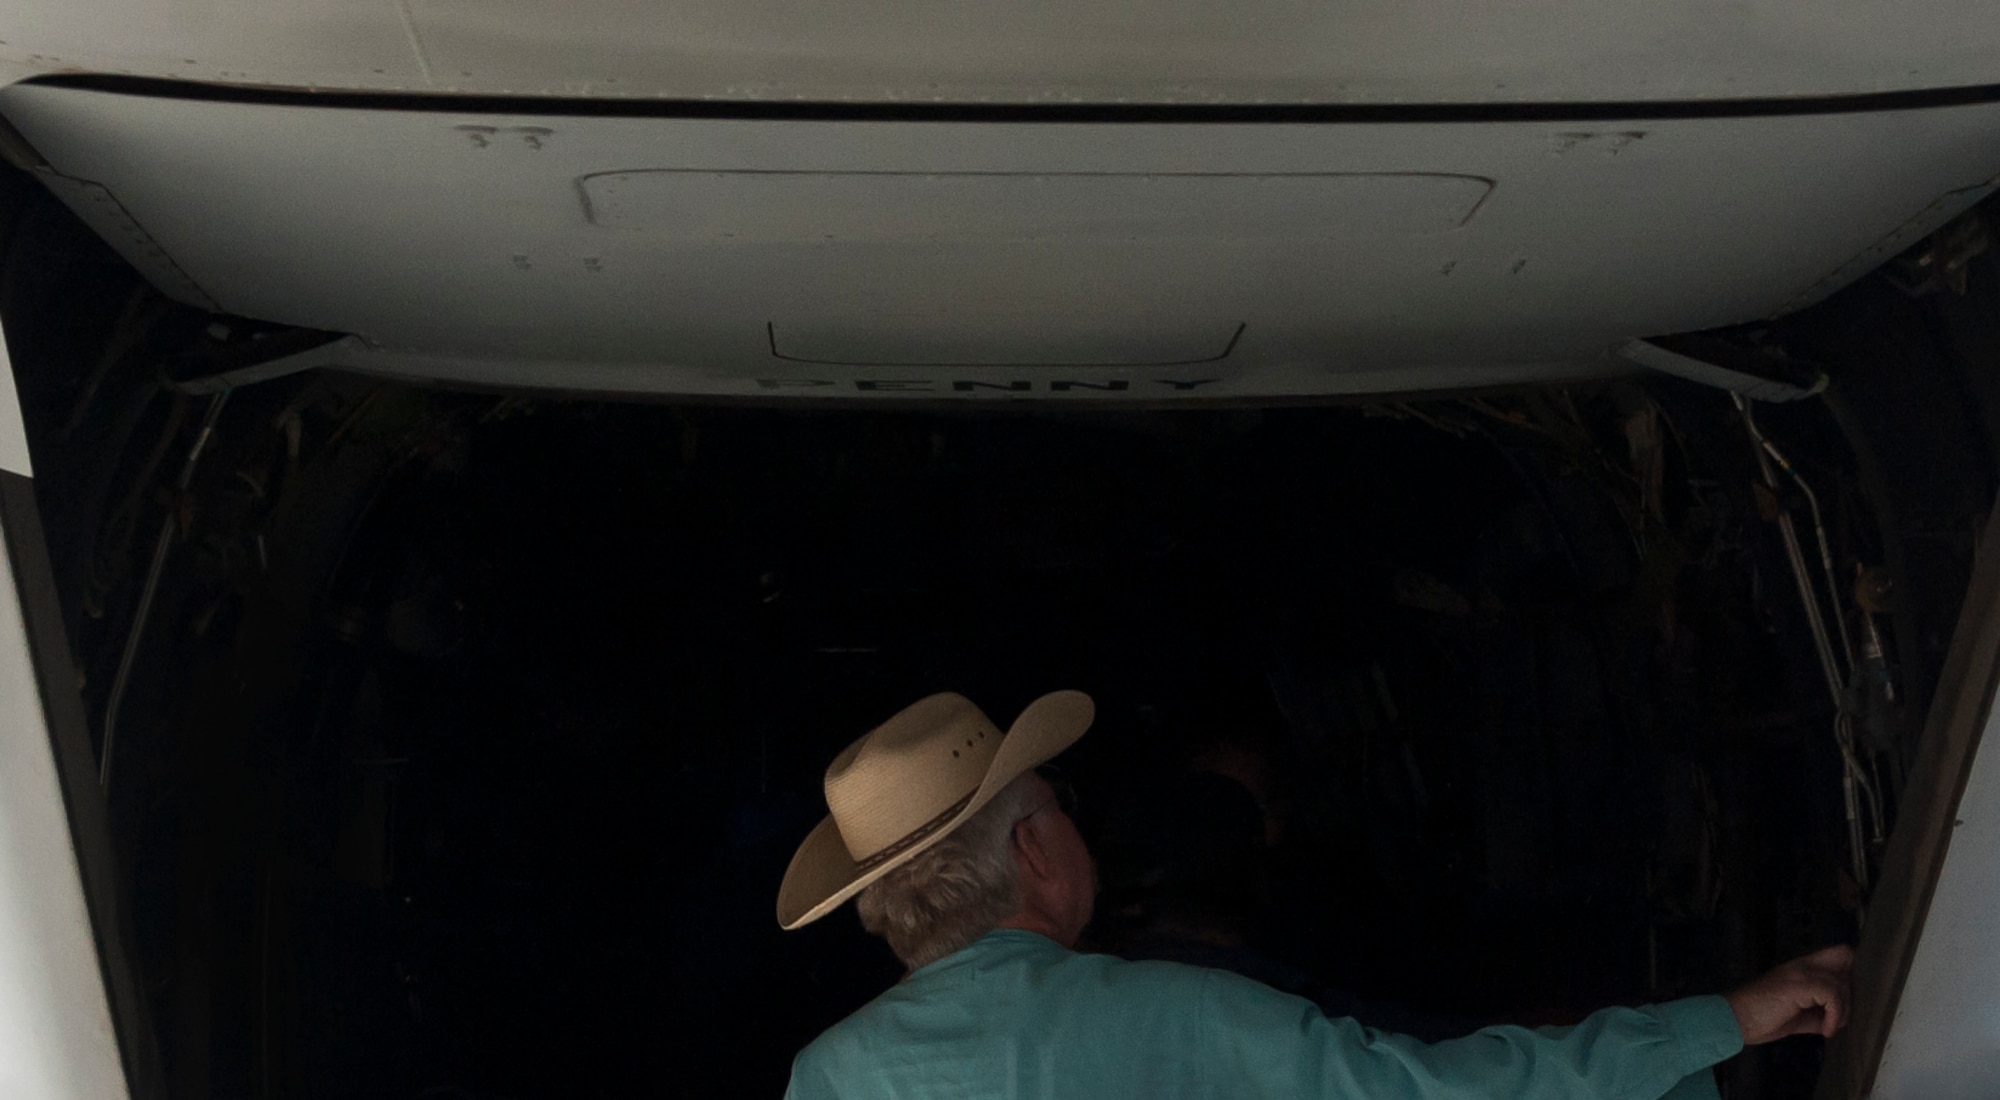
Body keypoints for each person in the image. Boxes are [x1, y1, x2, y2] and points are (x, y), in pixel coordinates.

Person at [776, 691, 1853, 1100]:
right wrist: (1724, 1019)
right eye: (1057, 801)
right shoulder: (1179, 1007)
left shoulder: (823, 1077)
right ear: (1035, 849)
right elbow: (1454, 1095)